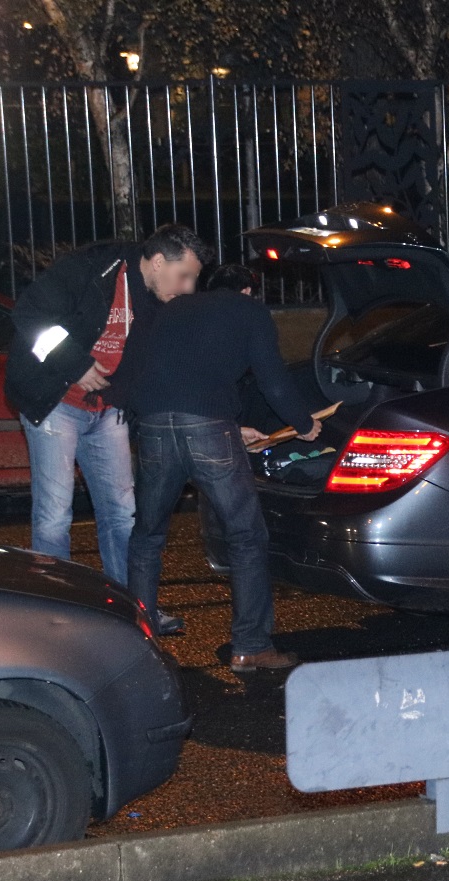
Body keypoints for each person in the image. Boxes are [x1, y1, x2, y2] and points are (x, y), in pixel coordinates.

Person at [4, 225, 211, 635]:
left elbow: (157, 361)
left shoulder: (159, 298)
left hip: (108, 409)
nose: (188, 288)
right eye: (183, 276)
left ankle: (134, 608)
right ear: (156, 262)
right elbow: (28, 315)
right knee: (54, 514)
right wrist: (75, 365)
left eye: (194, 279)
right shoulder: (92, 270)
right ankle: (54, 611)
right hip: (56, 403)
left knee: (121, 512)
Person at [127, 263, 321, 673]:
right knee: (247, 535)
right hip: (208, 428)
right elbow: (273, 379)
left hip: (153, 424)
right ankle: (250, 646)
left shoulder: (169, 310)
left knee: (147, 537)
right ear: (248, 290)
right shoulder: (248, 312)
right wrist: (304, 424)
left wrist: (230, 425)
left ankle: (138, 647)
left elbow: (161, 372)